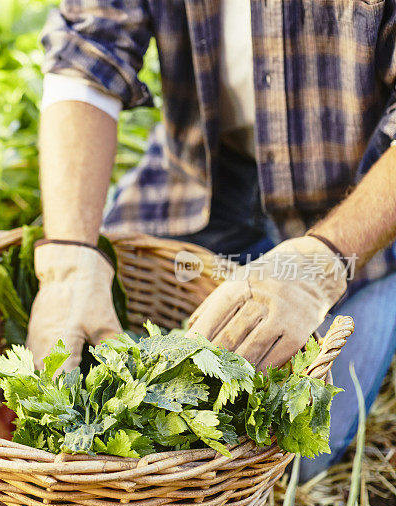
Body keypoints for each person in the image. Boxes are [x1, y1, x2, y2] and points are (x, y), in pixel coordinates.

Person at [26, 0, 396, 481]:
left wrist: (321, 262)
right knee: (101, 345)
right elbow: (87, 47)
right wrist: (70, 259)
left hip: (358, 199)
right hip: (201, 177)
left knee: (287, 459)